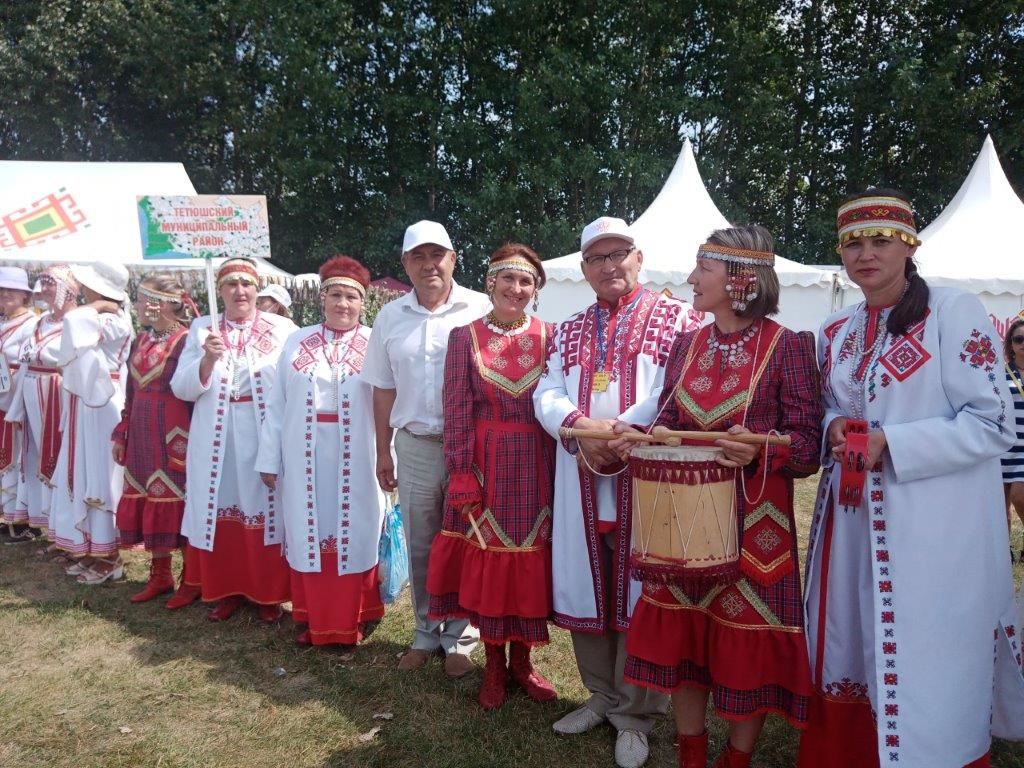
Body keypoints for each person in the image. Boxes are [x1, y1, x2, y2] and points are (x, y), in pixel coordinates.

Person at [799, 189, 1014, 768]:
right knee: (847, 631)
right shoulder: (836, 329)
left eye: (880, 240)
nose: (866, 253)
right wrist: (836, 425)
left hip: (930, 522)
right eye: (853, 243)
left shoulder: (952, 311)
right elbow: (824, 409)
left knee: (924, 642)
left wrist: (895, 441)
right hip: (848, 520)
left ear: (909, 245)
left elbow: (994, 421)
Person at [611, 225, 823, 768]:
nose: (690, 280)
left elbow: (807, 447)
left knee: (741, 643)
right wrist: (642, 435)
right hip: (681, 520)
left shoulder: (789, 346)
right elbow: (667, 419)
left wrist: (759, 451)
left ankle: (735, 759)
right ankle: (691, 754)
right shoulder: (689, 343)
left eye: (702, 270)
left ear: (741, 279)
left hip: (757, 525)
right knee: (685, 642)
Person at [533, 216, 702, 768]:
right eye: (597, 259)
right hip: (580, 468)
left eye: (618, 254)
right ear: (583, 270)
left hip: (645, 470)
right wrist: (581, 427)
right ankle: (601, 696)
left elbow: (673, 386)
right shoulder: (570, 327)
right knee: (592, 587)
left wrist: (620, 432)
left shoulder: (679, 318)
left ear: (639, 257)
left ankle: (636, 714)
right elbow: (548, 388)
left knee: (640, 591)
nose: (609, 266)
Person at [427, 243, 557, 710]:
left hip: (537, 464)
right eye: (509, 279)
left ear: (535, 290)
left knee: (528, 561)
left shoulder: (551, 336)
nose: (517, 289)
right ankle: (495, 667)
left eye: (526, 282)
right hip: (485, 465)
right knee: (490, 561)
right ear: (490, 282)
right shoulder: (466, 337)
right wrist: (461, 472)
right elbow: (457, 409)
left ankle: (522, 663)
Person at [362, 220, 489, 676]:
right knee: (420, 542)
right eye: (418, 256)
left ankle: (462, 634)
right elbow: (382, 389)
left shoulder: (480, 307)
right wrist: (382, 453)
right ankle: (424, 631)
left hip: (471, 447)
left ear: (453, 259)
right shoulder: (390, 317)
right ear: (405, 264)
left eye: (437, 255)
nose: (429, 264)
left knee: (465, 539)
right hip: (414, 444)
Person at [256, 255, 386, 647]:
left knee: (357, 530)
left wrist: (388, 456)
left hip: (359, 453)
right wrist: (269, 457)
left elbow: (387, 403)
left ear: (363, 304)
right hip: (302, 453)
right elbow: (276, 402)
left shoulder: (374, 343)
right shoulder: (296, 340)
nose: (342, 304)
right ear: (322, 298)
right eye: (335, 295)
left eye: (351, 297)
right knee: (308, 529)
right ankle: (312, 614)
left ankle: (353, 616)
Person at [171, 257, 296, 622]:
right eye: (231, 285)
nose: (239, 292)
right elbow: (181, 387)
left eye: (246, 284)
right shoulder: (201, 328)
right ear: (220, 291)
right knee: (224, 506)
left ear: (258, 289)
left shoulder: (283, 328)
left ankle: (268, 593)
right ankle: (228, 590)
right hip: (217, 435)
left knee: (265, 507)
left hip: (262, 432)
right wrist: (206, 362)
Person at [48, 262, 135, 583]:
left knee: (100, 474)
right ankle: (90, 546)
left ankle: (110, 555)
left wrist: (99, 304)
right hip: (86, 404)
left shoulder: (112, 321)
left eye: (88, 286)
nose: (83, 290)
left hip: (103, 404)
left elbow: (72, 321)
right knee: (80, 470)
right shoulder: (100, 317)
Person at [112, 275, 196, 604]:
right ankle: (160, 574)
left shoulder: (187, 340)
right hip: (143, 434)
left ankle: (192, 577)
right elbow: (131, 392)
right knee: (148, 496)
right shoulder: (142, 340)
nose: (139, 305)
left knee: (180, 500)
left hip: (175, 432)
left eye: (143, 299)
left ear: (159, 303)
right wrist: (123, 431)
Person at [5, 265, 79, 543]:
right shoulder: (41, 321)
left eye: (52, 283)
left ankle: (64, 525)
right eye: (44, 283)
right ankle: (36, 518)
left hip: (55, 392)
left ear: (68, 289)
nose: (45, 289)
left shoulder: (76, 320)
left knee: (57, 456)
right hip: (30, 389)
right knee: (31, 456)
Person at [0, 267, 39, 539]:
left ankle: (20, 518)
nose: (5, 295)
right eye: (1, 291)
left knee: (17, 458)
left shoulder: (32, 324)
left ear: (25, 295)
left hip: (17, 396)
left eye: (11, 290)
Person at [1001, 316, 1024, 563]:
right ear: (1011, 343)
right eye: (1019, 339)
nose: (1023, 343)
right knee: (1000, 507)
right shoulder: (999, 373)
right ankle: (1003, 550)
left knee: (1020, 496)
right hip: (1003, 447)